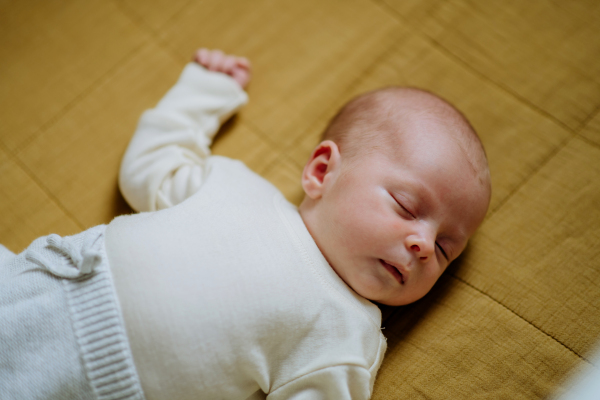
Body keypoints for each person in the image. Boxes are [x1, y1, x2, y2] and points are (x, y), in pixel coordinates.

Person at [0, 48, 491, 400]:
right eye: (407, 206)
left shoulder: (347, 336)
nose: (424, 245)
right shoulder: (236, 187)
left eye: (447, 249)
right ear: (322, 172)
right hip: (43, 289)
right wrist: (203, 93)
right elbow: (152, 167)